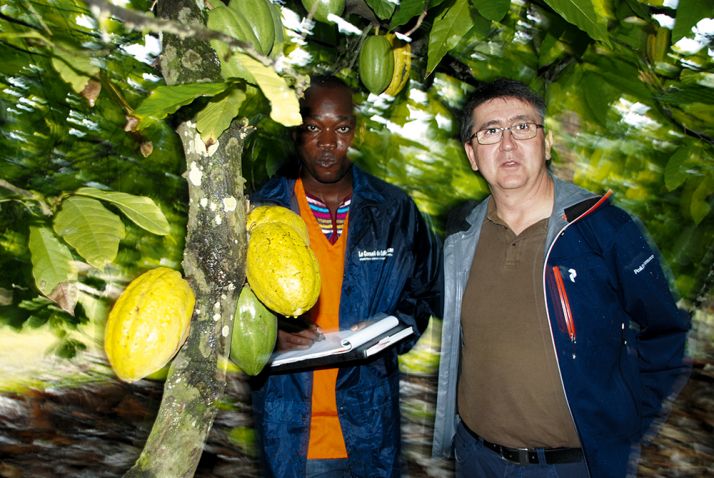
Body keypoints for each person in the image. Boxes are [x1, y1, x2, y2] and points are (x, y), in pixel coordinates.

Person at [432, 78, 690, 477]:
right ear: (471, 154)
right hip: (476, 459)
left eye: (522, 127)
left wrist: (628, 421)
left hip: (571, 466)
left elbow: (666, 329)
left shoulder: (602, 229)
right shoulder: (460, 236)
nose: (507, 144)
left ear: (546, 143)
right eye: (490, 131)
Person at [249, 75, 442, 478]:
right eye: (313, 127)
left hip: (369, 423)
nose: (327, 142)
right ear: (295, 131)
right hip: (291, 428)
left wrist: (388, 329)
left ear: (356, 131)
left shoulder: (393, 210)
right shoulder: (259, 212)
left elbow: (425, 292)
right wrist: (268, 337)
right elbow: (229, 310)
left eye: (341, 128)